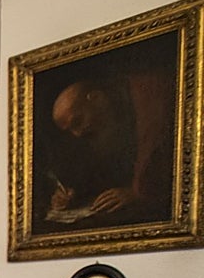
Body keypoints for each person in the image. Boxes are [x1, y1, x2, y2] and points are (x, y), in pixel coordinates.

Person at [45, 73, 174, 227]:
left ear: (97, 98)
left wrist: (136, 191)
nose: (78, 134)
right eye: (71, 130)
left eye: (77, 121)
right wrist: (71, 195)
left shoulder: (148, 97)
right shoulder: (101, 131)